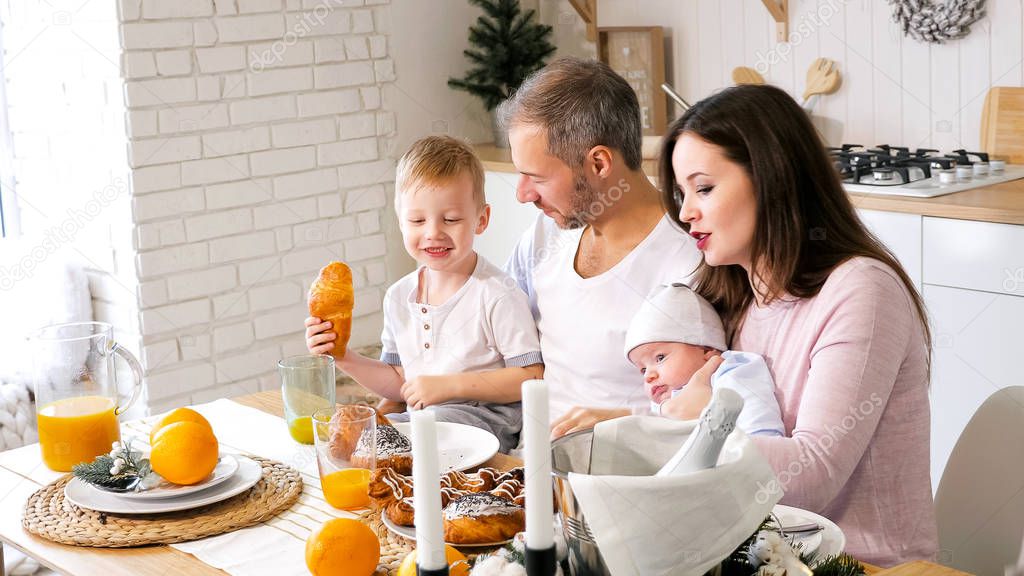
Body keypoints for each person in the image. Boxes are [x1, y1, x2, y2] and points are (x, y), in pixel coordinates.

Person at [659, 84, 937, 565]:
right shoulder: (734, 293)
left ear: (772, 178)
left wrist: (699, 426)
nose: (686, 213)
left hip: (864, 565)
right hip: (762, 555)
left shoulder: (861, 290)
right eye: (682, 193)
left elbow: (811, 476)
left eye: (704, 188)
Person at [497, 57, 701, 431]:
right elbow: (493, 332)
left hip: (623, 473)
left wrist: (621, 423)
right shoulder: (544, 236)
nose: (523, 195)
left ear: (600, 164)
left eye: (535, 177)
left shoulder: (686, 261)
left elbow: (711, 404)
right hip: (530, 467)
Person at [304, 136, 543, 453]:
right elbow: (401, 383)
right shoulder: (398, 296)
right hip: (425, 420)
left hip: (485, 421)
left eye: (452, 219)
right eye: (417, 220)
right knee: (350, 431)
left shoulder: (498, 293)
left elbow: (531, 376)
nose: (433, 232)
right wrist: (343, 356)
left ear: (481, 220)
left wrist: (448, 386)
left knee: (415, 431)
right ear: (401, 222)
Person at [624, 282, 784, 437]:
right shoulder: (660, 405)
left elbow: (760, 430)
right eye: (643, 369)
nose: (648, 376)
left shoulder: (731, 373)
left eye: (660, 358)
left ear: (706, 351)